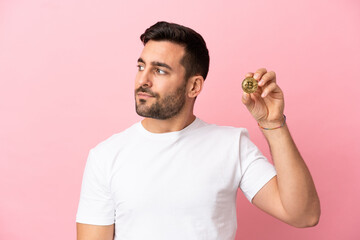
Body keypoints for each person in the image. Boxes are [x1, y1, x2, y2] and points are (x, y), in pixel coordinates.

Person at [76, 21, 320, 240]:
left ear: (194, 86)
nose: (144, 80)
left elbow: (304, 215)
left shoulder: (231, 145)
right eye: (141, 67)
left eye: (159, 70)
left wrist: (272, 123)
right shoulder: (106, 156)